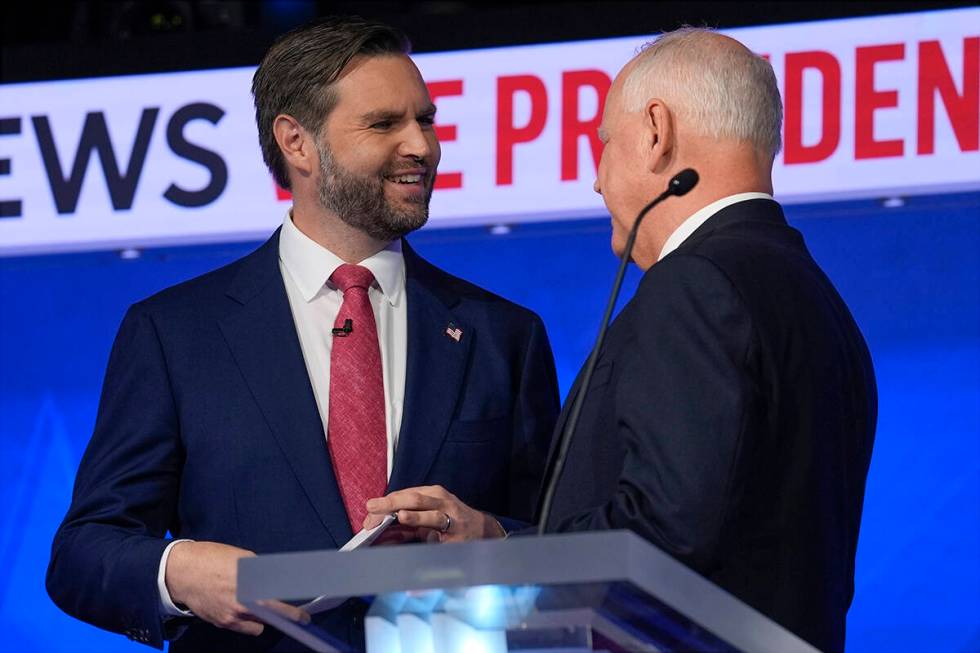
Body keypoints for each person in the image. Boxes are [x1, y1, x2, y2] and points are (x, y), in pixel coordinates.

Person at [45, 16, 559, 652]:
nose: (422, 146)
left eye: (424, 120)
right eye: (384, 124)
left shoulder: (504, 335)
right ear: (296, 142)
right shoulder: (176, 334)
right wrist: (178, 571)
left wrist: (491, 537)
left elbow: (561, 543)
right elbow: (84, 551)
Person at [367, 27, 876, 653]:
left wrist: (499, 568)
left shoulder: (694, 285)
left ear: (656, 132)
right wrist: (499, 540)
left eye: (604, 142)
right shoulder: (815, 297)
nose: (598, 181)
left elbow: (662, 535)